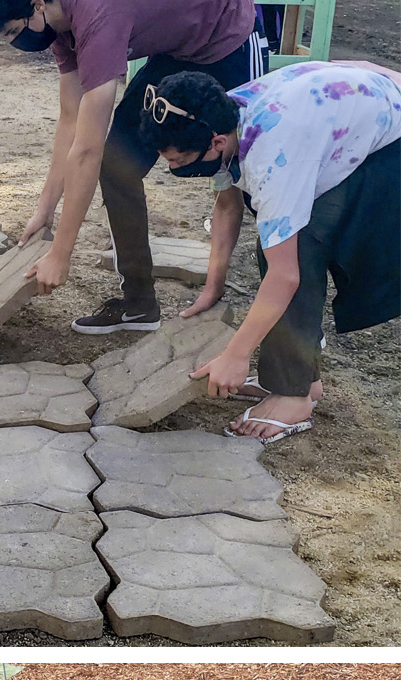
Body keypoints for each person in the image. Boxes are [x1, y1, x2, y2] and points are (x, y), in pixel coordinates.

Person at [0, 0, 267, 333]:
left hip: (227, 36)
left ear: (37, 6)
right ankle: (139, 305)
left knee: (250, 179)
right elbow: (70, 120)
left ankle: (289, 317)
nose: (15, 42)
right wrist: (44, 210)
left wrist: (61, 254)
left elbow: (87, 147)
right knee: (118, 166)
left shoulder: (99, 14)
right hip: (177, 48)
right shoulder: (63, 28)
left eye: (13, 31)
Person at [139, 62, 401, 443]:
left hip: (389, 145)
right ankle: (296, 381)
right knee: (277, 241)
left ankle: (294, 397)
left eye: (178, 161)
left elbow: (286, 275)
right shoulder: (225, 116)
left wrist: (235, 354)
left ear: (215, 144)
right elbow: (227, 202)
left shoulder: (274, 153)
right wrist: (213, 286)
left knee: (302, 245)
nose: (172, 168)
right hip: (349, 115)